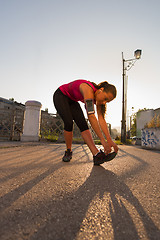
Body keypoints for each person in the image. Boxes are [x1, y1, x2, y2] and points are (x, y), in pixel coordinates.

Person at [53, 79, 118, 165]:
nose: (104, 102)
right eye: (105, 98)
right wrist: (102, 140)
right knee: (69, 122)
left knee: (83, 126)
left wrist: (109, 140)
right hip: (60, 95)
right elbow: (91, 116)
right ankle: (68, 151)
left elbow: (101, 120)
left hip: (72, 100)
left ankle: (96, 155)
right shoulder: (88, 89)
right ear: (100, 90)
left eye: (107, 101)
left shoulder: (99, 100)